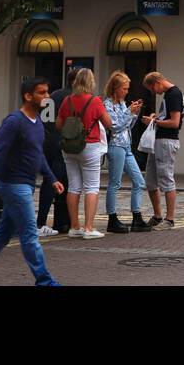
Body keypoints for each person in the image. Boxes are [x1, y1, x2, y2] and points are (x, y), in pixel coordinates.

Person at [0, 78, 63, 286]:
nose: (47, 97)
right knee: (29, 234)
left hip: (25, 184)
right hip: (13, 186)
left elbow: (38, 155)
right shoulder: (14, 122)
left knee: (2, 234)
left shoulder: (38, 123)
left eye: (47, 92)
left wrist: (52, 179)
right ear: (28, 96)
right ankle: (45, 281)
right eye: (42, 93)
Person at [57, 67, 115, 238]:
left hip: (69, 148)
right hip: (90, 146)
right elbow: (108, 123)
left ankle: (74, 227)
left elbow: (59, 125)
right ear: (91, 82)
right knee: (91, 187)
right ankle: (89, 228)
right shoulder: (95, 101)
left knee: (73, 186)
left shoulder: (67, 100)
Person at [103, 71, 150, 233]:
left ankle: (137, 217)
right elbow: (114, 126)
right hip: (115, 146)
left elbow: (127, 126)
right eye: (124, 88)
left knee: (139, 181)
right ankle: (112, 218)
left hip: (127, 145)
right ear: (115, 88)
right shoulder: (107, 104)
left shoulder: (123, 103)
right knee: (114, 183)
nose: (126, 91)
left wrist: (133, 113)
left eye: (127, 88)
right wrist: (129, 112)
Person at [37, 66, 78, 237]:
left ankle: (58, 221)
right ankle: (50, 222)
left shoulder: (53, 95)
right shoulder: (72, 98)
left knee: (52, 181)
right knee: (61, 182)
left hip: (47, 140)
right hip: (61, 143)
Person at [141, 71, 184, 229]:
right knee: (151, 181)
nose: (154, 92)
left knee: (167, 179)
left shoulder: (174, 94)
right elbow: (166, 116)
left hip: (167, 141)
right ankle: (157, 216)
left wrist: (155, 122)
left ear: (159, 82)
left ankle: (170, 219)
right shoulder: (169, 95)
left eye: (153, 88)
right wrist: (156, 117)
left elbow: (174, 122)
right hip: (158, 141)